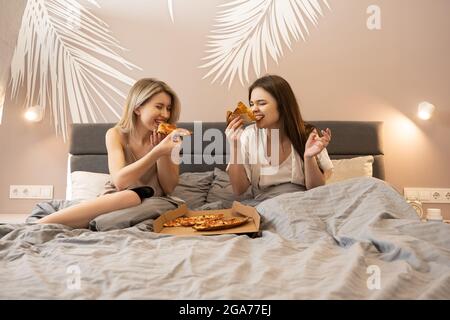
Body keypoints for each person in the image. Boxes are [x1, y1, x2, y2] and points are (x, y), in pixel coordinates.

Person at [37, 78, 189, 228]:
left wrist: (164, 153)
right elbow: (120, 182)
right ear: (137, 108)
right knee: (130, 196)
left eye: (168, 108)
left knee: (112, 215)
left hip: (153, 201)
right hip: (119, 197)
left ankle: (51, 224)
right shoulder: (116, 134)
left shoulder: (170, 139)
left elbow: (168, 188)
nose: (165, 114)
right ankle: (39, 224)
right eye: (159, 106)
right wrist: (156, 152)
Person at [226, 75, 333, 200]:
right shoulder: (248, 136)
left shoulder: (307, 134)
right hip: (263, 205)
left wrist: (309, 157)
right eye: (251, 104)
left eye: (261, 103)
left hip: (302, 202)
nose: (253, 109)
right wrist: (234, 146)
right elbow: (239, 190)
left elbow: (316, 190)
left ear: (282, 106)